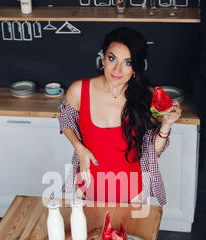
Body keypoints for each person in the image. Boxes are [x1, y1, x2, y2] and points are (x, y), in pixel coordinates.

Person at [58, 27, 182, 205]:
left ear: (135, 68)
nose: (117, 69)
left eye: (127, 62)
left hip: (133, 193)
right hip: (86, 190)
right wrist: (80, 148)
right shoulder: (79, 90)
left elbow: (153, 150)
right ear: (103, 59)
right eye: (112, 58)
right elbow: (65, 119)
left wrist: (166, 125)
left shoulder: (146, 97)